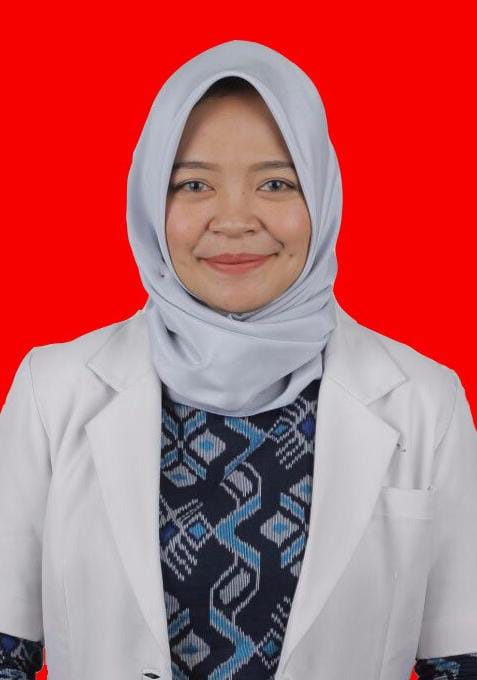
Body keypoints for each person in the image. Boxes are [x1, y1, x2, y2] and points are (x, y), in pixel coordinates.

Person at [0, 39, 476, 680]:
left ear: (322, 197)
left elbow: (461, 659)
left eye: (275, 183)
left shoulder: (424, 401)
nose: (233, 220)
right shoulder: (51, 391)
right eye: (194, 184)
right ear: (151, 201)